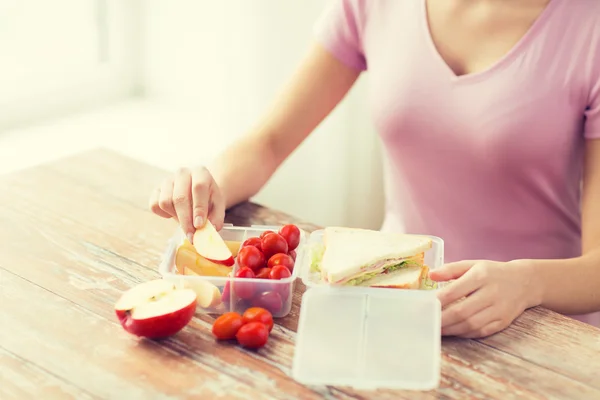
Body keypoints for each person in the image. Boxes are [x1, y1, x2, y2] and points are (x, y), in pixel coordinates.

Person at [149, 0, 600, 338]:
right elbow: (268, 143)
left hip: (541, 324)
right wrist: (211, 186)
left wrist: (527, 283)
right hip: (387, 298)